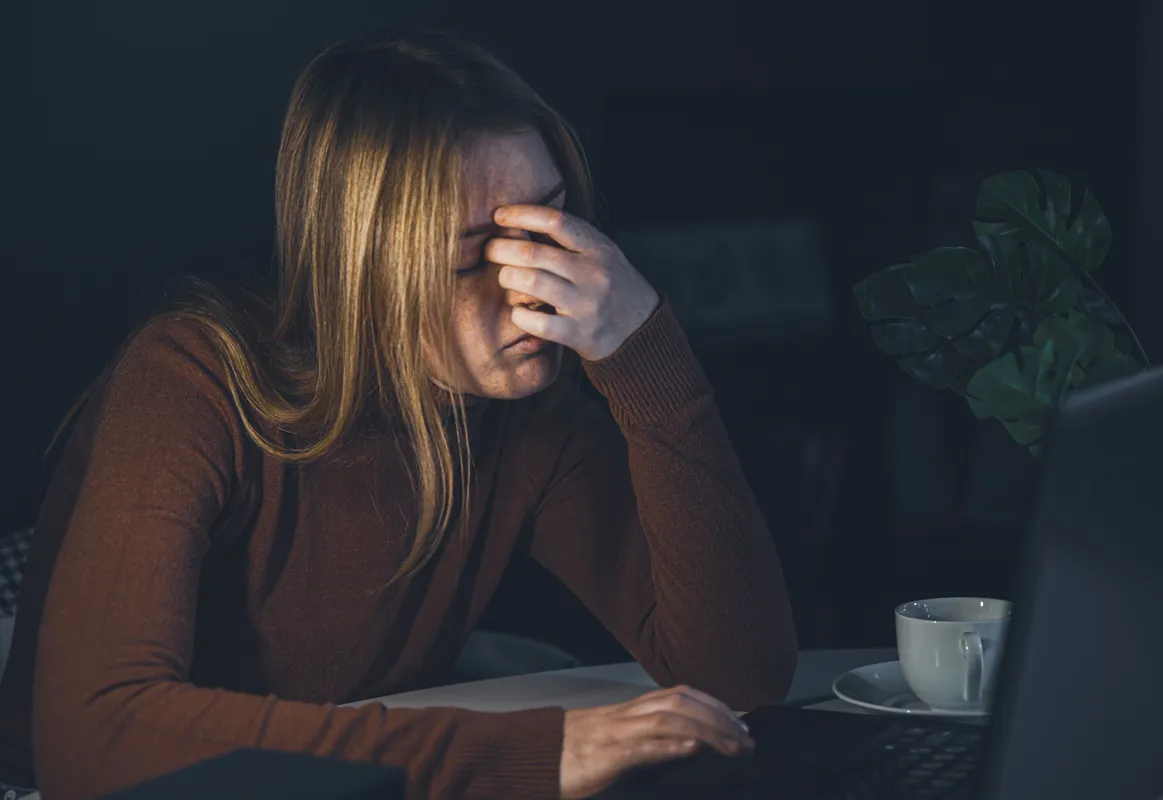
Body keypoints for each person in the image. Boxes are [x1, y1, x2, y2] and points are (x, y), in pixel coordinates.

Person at [0, 27, 798, 800]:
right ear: (359, 271)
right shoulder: (193, 377)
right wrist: (528, 758)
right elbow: (90, 742)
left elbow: (738, 677)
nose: (534, 295)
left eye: (547, 232)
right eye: (469, 258)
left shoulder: (528, 411)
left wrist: (644, 351)